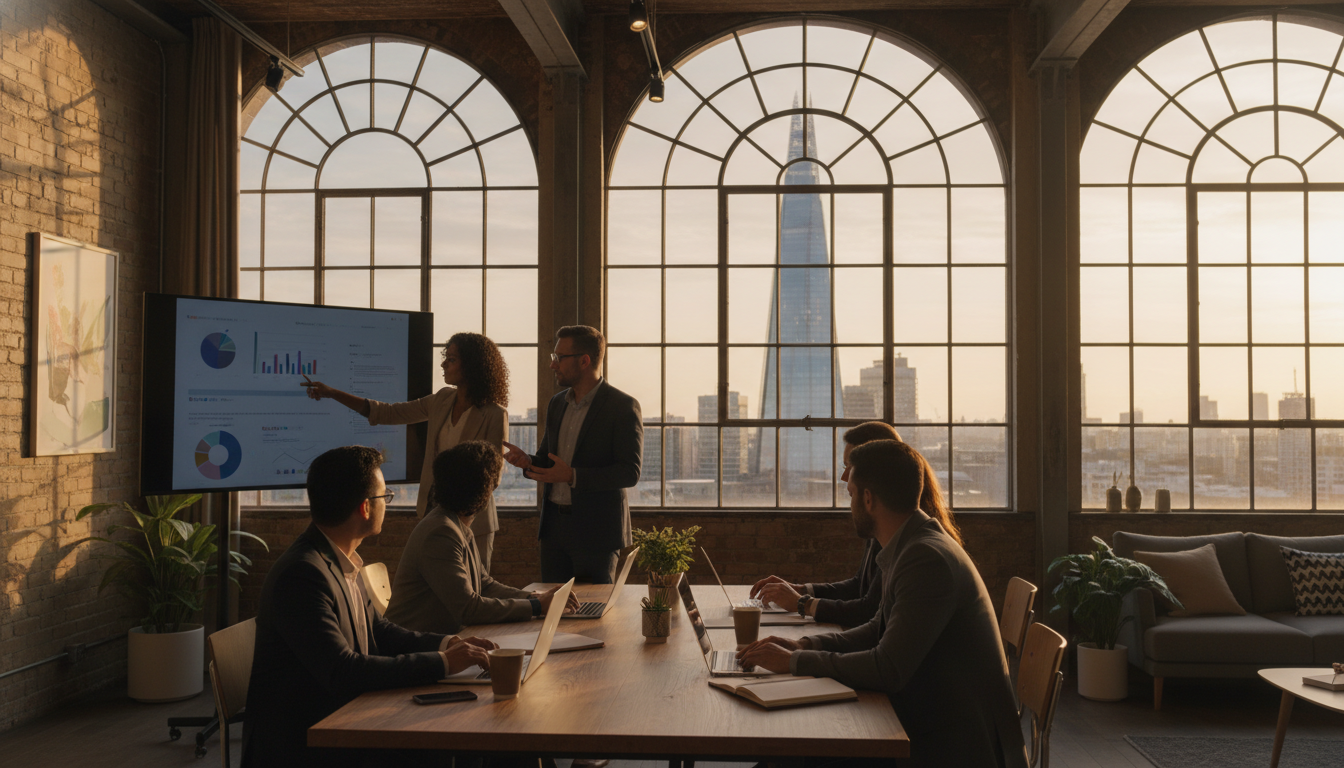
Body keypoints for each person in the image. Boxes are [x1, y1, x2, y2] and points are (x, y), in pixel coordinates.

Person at [738, 440, 1025, 768]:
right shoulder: (913, 544)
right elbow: (878, 628)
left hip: (948, 747)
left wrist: (795, 662)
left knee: (791, 758)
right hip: (930, 721)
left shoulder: (925, 558)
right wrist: (801, 644)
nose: (850, 507)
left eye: (851, 495)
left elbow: (887, 669)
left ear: (868, 499)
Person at [242, 446, 497, 768]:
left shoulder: (339, 558)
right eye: (384, 497)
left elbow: (380, 629)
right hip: (312, 740)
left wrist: (449, 644)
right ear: (365, 507)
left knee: (478, 729)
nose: (386, 505)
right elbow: (343, 671)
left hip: (351, 714)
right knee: (459, 741)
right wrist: (444, 662)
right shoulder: (302, 574)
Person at [302, 332, 509, 573]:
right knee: (433, 587)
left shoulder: (495, 414)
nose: (443, 363)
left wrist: (461, 506)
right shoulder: (442, 399)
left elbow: (492, 477)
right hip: (434, 510)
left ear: (473, 365)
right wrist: (332, 393)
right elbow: (389, 412)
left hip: (473, 520)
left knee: (473, 590)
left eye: (451, 359)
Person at [750, 421, 962, 628]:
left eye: (850, 467)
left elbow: (871, 611)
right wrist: (802, 590)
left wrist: (802, 604)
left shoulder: (906, 536)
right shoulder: (892, 521)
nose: (844, 477)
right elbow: (860, 587)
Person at [386, 441, 579, 634]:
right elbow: (469, 609)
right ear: (484, 490)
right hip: (414, 650)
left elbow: (484, 585)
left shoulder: (454, 523)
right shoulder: (440, 533)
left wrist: (535, 598)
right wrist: (537, 606)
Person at [501, 325, 642, 584]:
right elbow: (548, 459)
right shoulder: (557, 403)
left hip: (596, 533)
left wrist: (573, 476)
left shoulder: (622, 406)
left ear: (584, 361)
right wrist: (529, 461)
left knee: (593, 615)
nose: (553, 365)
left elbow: (629, 472)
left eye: (559, 358)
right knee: (553, 611)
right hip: (554, 530)